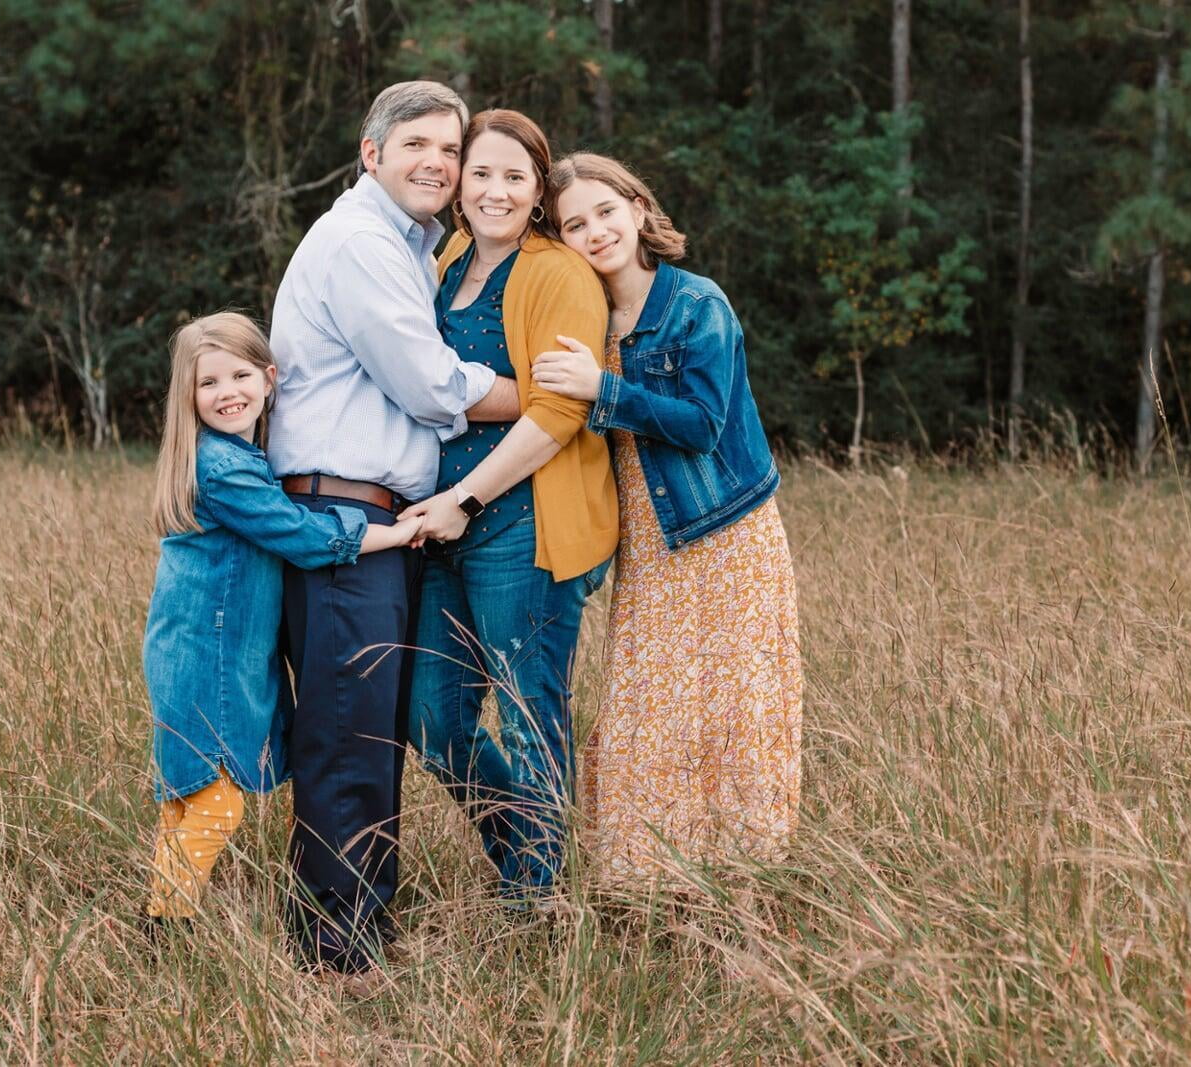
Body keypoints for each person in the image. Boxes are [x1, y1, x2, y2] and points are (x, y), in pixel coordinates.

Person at [265, 81, 519, 979]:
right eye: (417, 144)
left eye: (450, 150)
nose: (438, 163)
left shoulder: (414, 247)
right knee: (346, 733)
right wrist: (549, 404)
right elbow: (429, 383)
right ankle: (339, 955)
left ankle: (359, 929)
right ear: (369, 152)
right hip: (341, 516)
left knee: (371, 728)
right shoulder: (361, 242)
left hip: (379, 520)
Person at [532, 153, 803, 882]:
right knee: (646, 713)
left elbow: (705, 423)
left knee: (730, 710)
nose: (595, 232)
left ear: (640, 210)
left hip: (723, 533)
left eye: (606, 212)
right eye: (574, 225)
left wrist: (603, 388)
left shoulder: (695, 303)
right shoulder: (582, 319)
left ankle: (742, 880)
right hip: (648, 544)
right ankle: (653, 882)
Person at [141, 311, 422, 926]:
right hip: (206, 653)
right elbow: (303, 536)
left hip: (191, 647)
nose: (227, 393)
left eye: (240, 375)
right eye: (208, 383)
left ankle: (161, 911)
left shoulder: (239, 458)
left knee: (187, 801)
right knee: (218, 804)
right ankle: (165, 922)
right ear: (187, 397)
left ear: (270, 378)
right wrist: (393, 533)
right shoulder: (226, 469)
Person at [400, 110, 616, 903]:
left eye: (514, 178)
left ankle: (538, 897)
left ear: (538, 192)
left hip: (522, 522)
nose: (494, 190)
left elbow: (559, 412)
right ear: (459, 184)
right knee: (431, 717)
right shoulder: (448, 256)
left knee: (530, 713)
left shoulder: (559, 272)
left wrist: (464, 498)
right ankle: (526, 847)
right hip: (442, 523)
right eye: (480, 172)